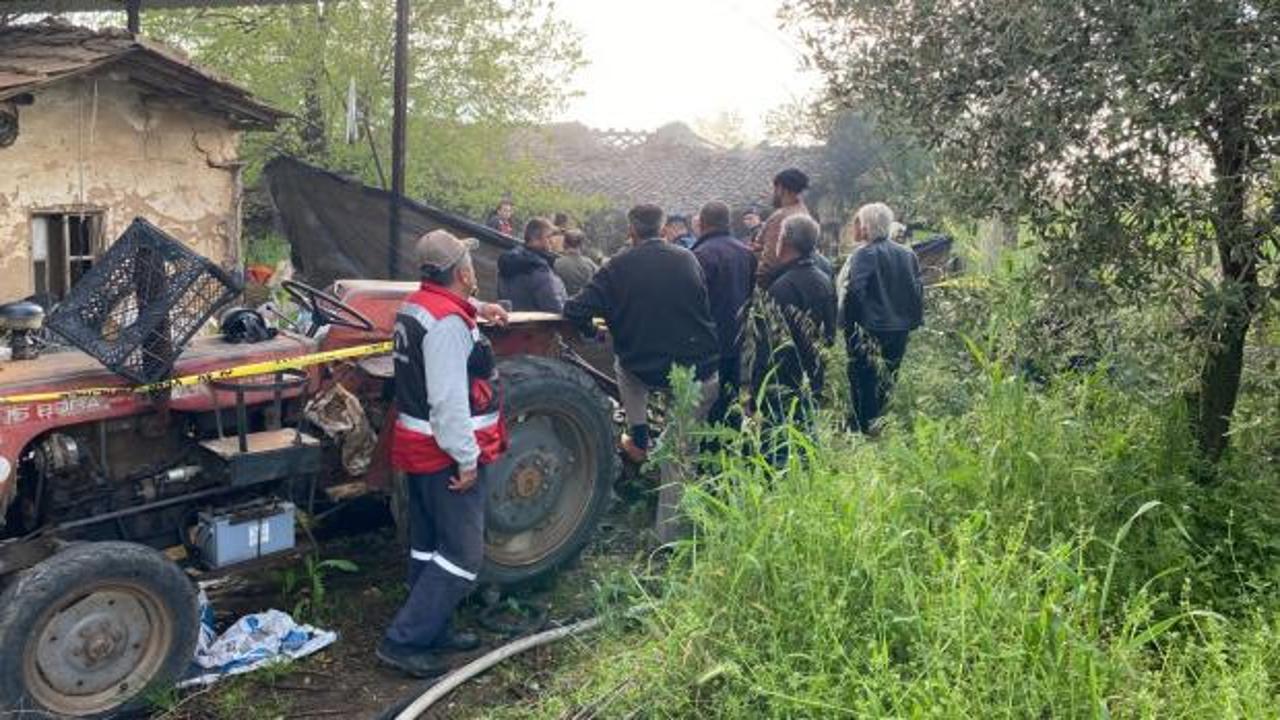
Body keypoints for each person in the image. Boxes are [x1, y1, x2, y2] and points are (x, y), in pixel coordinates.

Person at [380, 230, 510, 678]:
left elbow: (443, 317)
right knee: (463, 554)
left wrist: (479, 308)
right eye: (469, 265)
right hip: (445, 456)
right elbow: (448, 401)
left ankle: (435, 628)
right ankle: (404, 640)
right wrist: (466, 460)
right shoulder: (448, 326)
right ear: (462, 274)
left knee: (428, 545)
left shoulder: (420, 306)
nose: (473, 271)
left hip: (418, 448)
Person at [563, 204, 719, 542]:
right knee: (680, 454)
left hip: (643, 365)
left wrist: (594, 329)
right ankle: (669, 538)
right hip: (699, 369)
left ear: (631, 232)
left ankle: (639, 434)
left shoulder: (616, 266)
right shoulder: (687, 258)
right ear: (663, 231)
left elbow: (573, 310)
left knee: (623, 367)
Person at [752, 215, 836, 465]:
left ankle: (777, 480)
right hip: (813, 374)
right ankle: (809, 475)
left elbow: (767, 345)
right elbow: (830, 334)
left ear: (785, 242)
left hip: (781, 380)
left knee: (777, 443)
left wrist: (757, 387)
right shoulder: (824, 279)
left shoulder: (781, 287)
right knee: (806, 434)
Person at [842, 203, 924, 435]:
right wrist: (913, 321)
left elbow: (855, 291)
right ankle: (878, 421)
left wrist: (849, 324)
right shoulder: (907, 254)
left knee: (862, 377)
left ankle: (862, 426)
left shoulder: (864, 254)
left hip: (869, 327)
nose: (856, 227)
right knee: (888, 376)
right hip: (900, 327)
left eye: (858, 222)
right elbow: (917, 290)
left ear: (866, 227)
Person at [690, 201, 756, 426]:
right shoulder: (746, 253)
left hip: (707, 342)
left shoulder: (699, 255)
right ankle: (732, 439)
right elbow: (751, 293)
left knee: (708, 405)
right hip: (737, 337)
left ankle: (711, 444)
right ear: (728, 222)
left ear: (703, 223)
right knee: (732, 397)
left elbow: (693, 301)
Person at [497, 217, 567, 312]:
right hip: (538, 321)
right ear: (534, 239)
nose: (552, 241)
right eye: (548, 237)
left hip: (512, 319)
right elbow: (554, 307)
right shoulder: (538, 268)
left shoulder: (506, 263)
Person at [756, 168, 813, 284]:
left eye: (775, 188)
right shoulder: (804, 212)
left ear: (782, 189)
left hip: (777, 279)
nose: (774, 193)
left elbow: (771, 257)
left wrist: (760, 279)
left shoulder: (781, 217)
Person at [554, 229, 599, 297]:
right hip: (586, 301)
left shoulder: (556, 263)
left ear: (564, 244)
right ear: (582, 245)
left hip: (565, 301)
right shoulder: (590, 264)